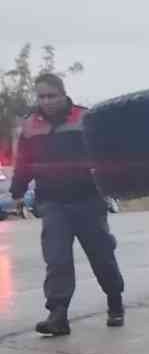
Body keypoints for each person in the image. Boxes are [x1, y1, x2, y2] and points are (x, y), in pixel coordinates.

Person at [10, 72, 124, 336]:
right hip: (52, 203)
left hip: (87, 201)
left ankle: (115, 302)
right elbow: (24, 163)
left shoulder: (84, 119)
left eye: (51, 95)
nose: (46, 101)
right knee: (57, 260)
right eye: (41, 96)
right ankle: (57, 315)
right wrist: (17, 191)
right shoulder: (30, 126)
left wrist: (110, 183)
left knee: (102, 255)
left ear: (63, 94)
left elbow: (105, 154)